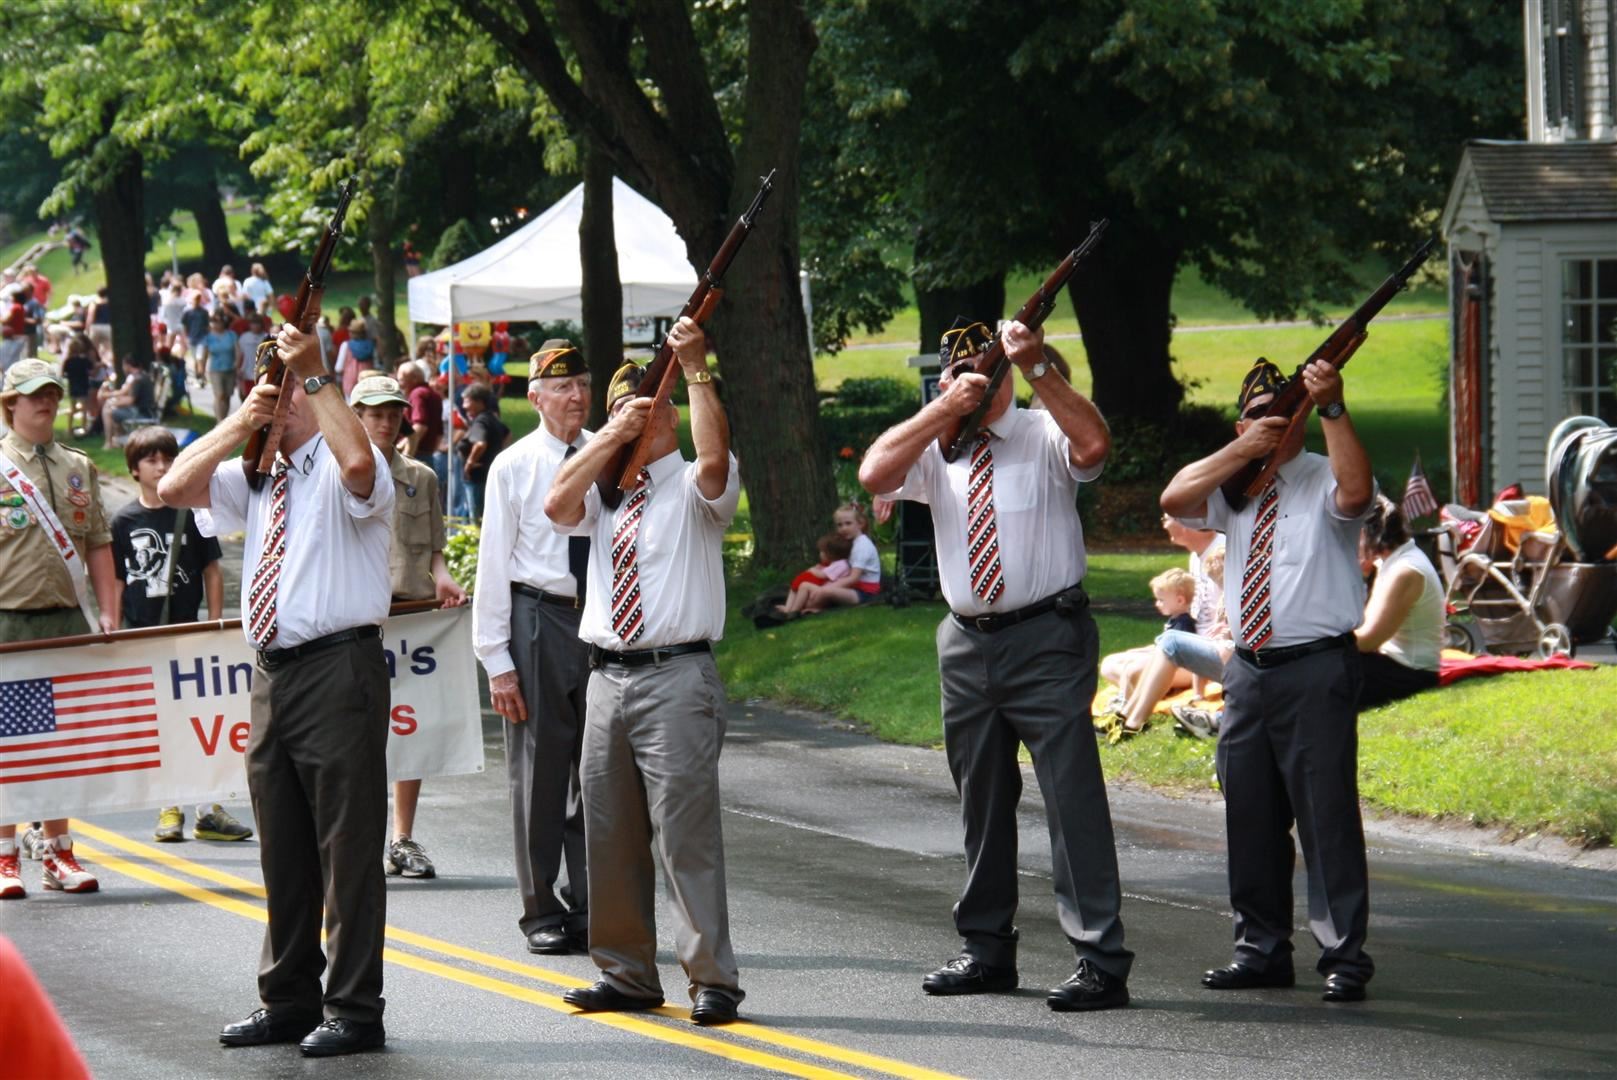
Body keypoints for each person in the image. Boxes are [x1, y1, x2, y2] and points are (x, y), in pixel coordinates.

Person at [859, 316, 1133, 1012]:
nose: (972, 386)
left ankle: (1099, 955)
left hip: (1046, 635)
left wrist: (1038, 367)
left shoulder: (1043, 431)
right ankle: (985, 949)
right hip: (965, 641)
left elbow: (1095, 444)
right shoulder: (939, 441)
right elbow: (873, 472)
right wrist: (940, 409)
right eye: (957, 374)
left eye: (984, 374)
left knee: (1070, 799)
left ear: (1006, 376)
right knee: (980, 799)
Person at [159, 323, 395, 1056]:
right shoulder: (260, 472)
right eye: (277, 383)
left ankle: (354, 1008)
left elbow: (358, 462)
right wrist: (242, 419)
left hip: (338, 666)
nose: (283, 393)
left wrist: (317, 376)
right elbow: (173, 486)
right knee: (282, 849)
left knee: (348, 848)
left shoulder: (346, 455)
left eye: (290, 384)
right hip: (273, 671)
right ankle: (288, 997)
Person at [544, 318, 745, 1026]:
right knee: (608, 833)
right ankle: (626, 972)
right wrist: (606, 437)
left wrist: (693, 372)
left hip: (675, 675)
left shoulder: (692, 485)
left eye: (647, 408)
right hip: (606, 675)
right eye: (626, 408)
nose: (637, 419)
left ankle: (712, 979)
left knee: (685, 836)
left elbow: (716, 461)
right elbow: (554, 505)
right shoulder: (603, 491)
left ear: (667, 415)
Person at [1161, 356, 1376, 1004]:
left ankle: (1343, 956)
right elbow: (1173, 499)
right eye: (1260, 415)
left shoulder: (1320, 475)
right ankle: (1259, 950)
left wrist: (1331, 407)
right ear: (1242, 423)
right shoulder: (1235, 487)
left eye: (1285, 413)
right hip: (1248, 670)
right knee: (1249, 815)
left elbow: (1358, 494)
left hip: (1315, 666)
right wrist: (1242, 449)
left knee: (1325, 817)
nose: (1274, 424)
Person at [472, 340, 593, 955]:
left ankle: (591, 901)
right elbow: (491, 564)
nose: (575, 396)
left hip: (597, 618)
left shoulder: (605, 453)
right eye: (562, 387)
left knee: (595, 771)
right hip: (538, 616)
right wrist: (497, 660)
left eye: (582, 385)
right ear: (536, 397)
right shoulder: (513, 466)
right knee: (541, 770)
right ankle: (541, 907)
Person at [0, 359, 119, 901]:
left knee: (60, 745)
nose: (43, 402)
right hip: (8, 620)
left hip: (65, 619)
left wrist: (109, 610)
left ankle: (58, 852)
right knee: (9, 744)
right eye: (32, 395)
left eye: (50, 393)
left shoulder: (78, 466)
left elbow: (97, 542)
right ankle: (4, 858)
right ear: (10, 405)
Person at [349, 374, 467, 878]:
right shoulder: (338, 475)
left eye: (393, 412)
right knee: (358, 732)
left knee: (410, 727)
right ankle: (359, 836)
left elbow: (434, 547)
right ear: (355, 416)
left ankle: (403, 837)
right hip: (358, 618)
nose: (385, 421)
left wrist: (444, 578)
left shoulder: (422, 476)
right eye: (374, 413)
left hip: (413, 614)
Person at [109, 427, 250, 844]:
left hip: (189, 633)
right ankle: (169, 804)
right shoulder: (123, 520)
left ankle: (209, 806)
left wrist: (212, 620)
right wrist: (113, 627)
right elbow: (116, 579)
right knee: (162, 724)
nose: (162, 466)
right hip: (144, 635)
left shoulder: (191, 511)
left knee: (200, 721)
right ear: (134, 469)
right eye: (151, 459)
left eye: (168, 458)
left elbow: (211, 569)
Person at [1355, 496, 1442, 708]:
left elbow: (1367, 641)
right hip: (1394, 665)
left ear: (1368, 534)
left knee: (1321, 670)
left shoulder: (1404, 572)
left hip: (1410, 674)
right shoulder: (1393, 563)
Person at [781, 502, 883, 615]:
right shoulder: (853, 542)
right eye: (839, 525)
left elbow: (853, 578)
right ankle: (796, 608)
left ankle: (796, 612)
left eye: (848, 523)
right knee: (808, 588)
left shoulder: (862, 546)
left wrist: (824, 589)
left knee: (819, 594)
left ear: (860, 524)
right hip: (853, 587)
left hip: (864, 593)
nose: (843, 528)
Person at [455, 382, 506, 522]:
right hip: (486, 473)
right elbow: (507, 433)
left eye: (467, 401)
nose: (464, 406)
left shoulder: (480, 421)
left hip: (476, 477)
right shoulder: (491, 418)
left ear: (479, 402)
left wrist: (469, 463)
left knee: (475, 517)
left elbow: (480, 443)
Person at [776, 531, 853, 616]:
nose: (820, 554)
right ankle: (789, 609)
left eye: (822, 551)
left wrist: (812, 570)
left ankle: (793, 612)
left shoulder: (841, 564)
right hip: (824, 591)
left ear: (830, 554)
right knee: (798, 585)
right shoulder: (836, 564)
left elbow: (823, 575)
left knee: (804, 585)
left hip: (827, 593)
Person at [99, 354, 157, 450]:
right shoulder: (142, 376)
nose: (123, 368)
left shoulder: (137, 379)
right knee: (112, 408)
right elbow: (129, 397)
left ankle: (108, 443)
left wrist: (112, 403)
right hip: (146, 411)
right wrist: (114, 403)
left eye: (123, 365)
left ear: (128, 365)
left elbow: (130, 400)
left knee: (108, 411)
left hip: (142, 413)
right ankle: (120, 440)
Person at [203, 314, 239, 417]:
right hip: (215, 369)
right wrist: (202, 368)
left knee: (227, 396)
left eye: (218, 322)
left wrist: (237, 362)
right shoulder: (208, 337)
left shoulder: (231, 335)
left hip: (230, 368)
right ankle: (219, 420)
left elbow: (237, 350)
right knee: (220, 395)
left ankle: (224, 418)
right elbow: (204, 353)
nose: (215, 324)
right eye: (213, 322)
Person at [61, 334, 95, 434]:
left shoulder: (68, 361)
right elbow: (91, 372)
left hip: (73, 386)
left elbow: (63, 373)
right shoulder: (84, 361)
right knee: (84, 409)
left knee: (72, 408)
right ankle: (84, 428)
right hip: (83, 385)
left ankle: (69, 428)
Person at [336, 321, 377, 398]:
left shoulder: (346, 345)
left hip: (350, 382)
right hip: (368, 381)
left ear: (351, 332)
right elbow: (376, 362)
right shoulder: (371, 345)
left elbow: (338, 368)